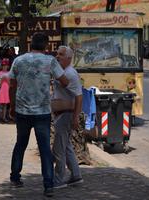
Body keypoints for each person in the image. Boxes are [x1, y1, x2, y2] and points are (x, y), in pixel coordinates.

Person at [9, 32, 69, 197]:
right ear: (46, 46)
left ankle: (15, 178)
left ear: (31, 44)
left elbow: (12, 84)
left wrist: (12, 106)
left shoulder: (18, 60)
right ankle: (48, 185)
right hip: (42, 112)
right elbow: (65, 81)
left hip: (22, 111)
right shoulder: (50, 61)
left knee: (20, 144)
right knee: (44, 149)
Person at [51, 46, 83, 188]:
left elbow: (79, 97)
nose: (58, 56)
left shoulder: (70, 73)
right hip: (61, 114)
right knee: (66, 147)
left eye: (61, 54)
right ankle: (76, 175)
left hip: (66, 115)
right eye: (57, 53)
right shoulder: (61, 71)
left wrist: (76, 117)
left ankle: (58, 180)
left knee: (59, 149)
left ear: (69, 58)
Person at [0, 58, 10, 123]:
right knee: (0, 104)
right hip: (1, 90)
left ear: (8, 66)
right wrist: (2, 80)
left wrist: (7, 80)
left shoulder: (9, 73)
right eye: (3, 66)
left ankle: (4, 117)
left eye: (6, 66)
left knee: (5, 104)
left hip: (6, 90)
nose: (4, 67)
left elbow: (10, 84)